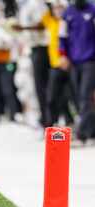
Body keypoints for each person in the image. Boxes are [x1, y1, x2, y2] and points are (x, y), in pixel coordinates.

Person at [59, 0, 95, 142]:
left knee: (84, 95)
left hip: (90, 61)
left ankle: (82, 134)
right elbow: (62, 36)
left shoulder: (92, 10)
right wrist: (63, 55)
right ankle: (91, 129)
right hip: (73, 62)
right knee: (76, 96)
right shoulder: (67, 13)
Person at [41, 0, 74, 126]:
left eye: (61, 8)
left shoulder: (70, 21)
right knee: (52, 98)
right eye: (56, 8)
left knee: (72, 97)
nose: (58, 10)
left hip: (70, 65)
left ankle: (75, 123)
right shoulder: (50, 21)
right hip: (55, 65)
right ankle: (50, 125)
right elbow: (45, 10)